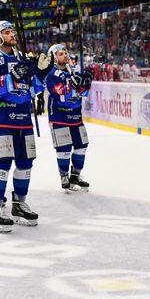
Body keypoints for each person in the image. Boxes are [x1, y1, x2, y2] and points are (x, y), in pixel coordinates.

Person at [0, 21, 44, 233]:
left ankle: (19, 204)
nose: (12, 34)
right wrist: (12, 76)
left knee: (26, 163)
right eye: (7, 32)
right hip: (0, 118)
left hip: (23, 118)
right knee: (2, 164)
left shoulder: (20, 57)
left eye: (12, 31)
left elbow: (33, 89)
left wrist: (41, 74)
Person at [44, 44, 92, 191]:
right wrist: (73, 85)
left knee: (82, 146)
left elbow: (83, 94)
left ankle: (75, 176)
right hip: (59, 116)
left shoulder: (74, 71)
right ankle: (64, 176)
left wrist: (85, 84)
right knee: (64, 148)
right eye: (60, 54)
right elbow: (60, 95)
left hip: (76, 116)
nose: (65, 55)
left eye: (65, 53)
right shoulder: (51, 74)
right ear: (53, 57)